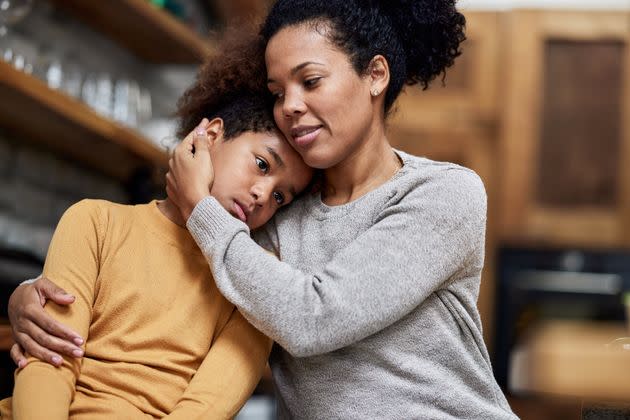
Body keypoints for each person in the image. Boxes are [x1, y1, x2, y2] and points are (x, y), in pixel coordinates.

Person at [7, 0, 519, 418]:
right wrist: (29, 296)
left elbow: (311, 316)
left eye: (310, 81)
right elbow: (171, 293)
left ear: (375, 75)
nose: (289, 105)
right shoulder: (265, 226)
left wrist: (201, 205)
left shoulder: (443, 194)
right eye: (278, 91)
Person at [0, 31, 314, 419]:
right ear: (211, 135)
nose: (264, 195)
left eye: (282, 197)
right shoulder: (95, 221)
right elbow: (50, 361)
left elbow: (206, 409)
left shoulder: (254, 286)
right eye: (262, 165)